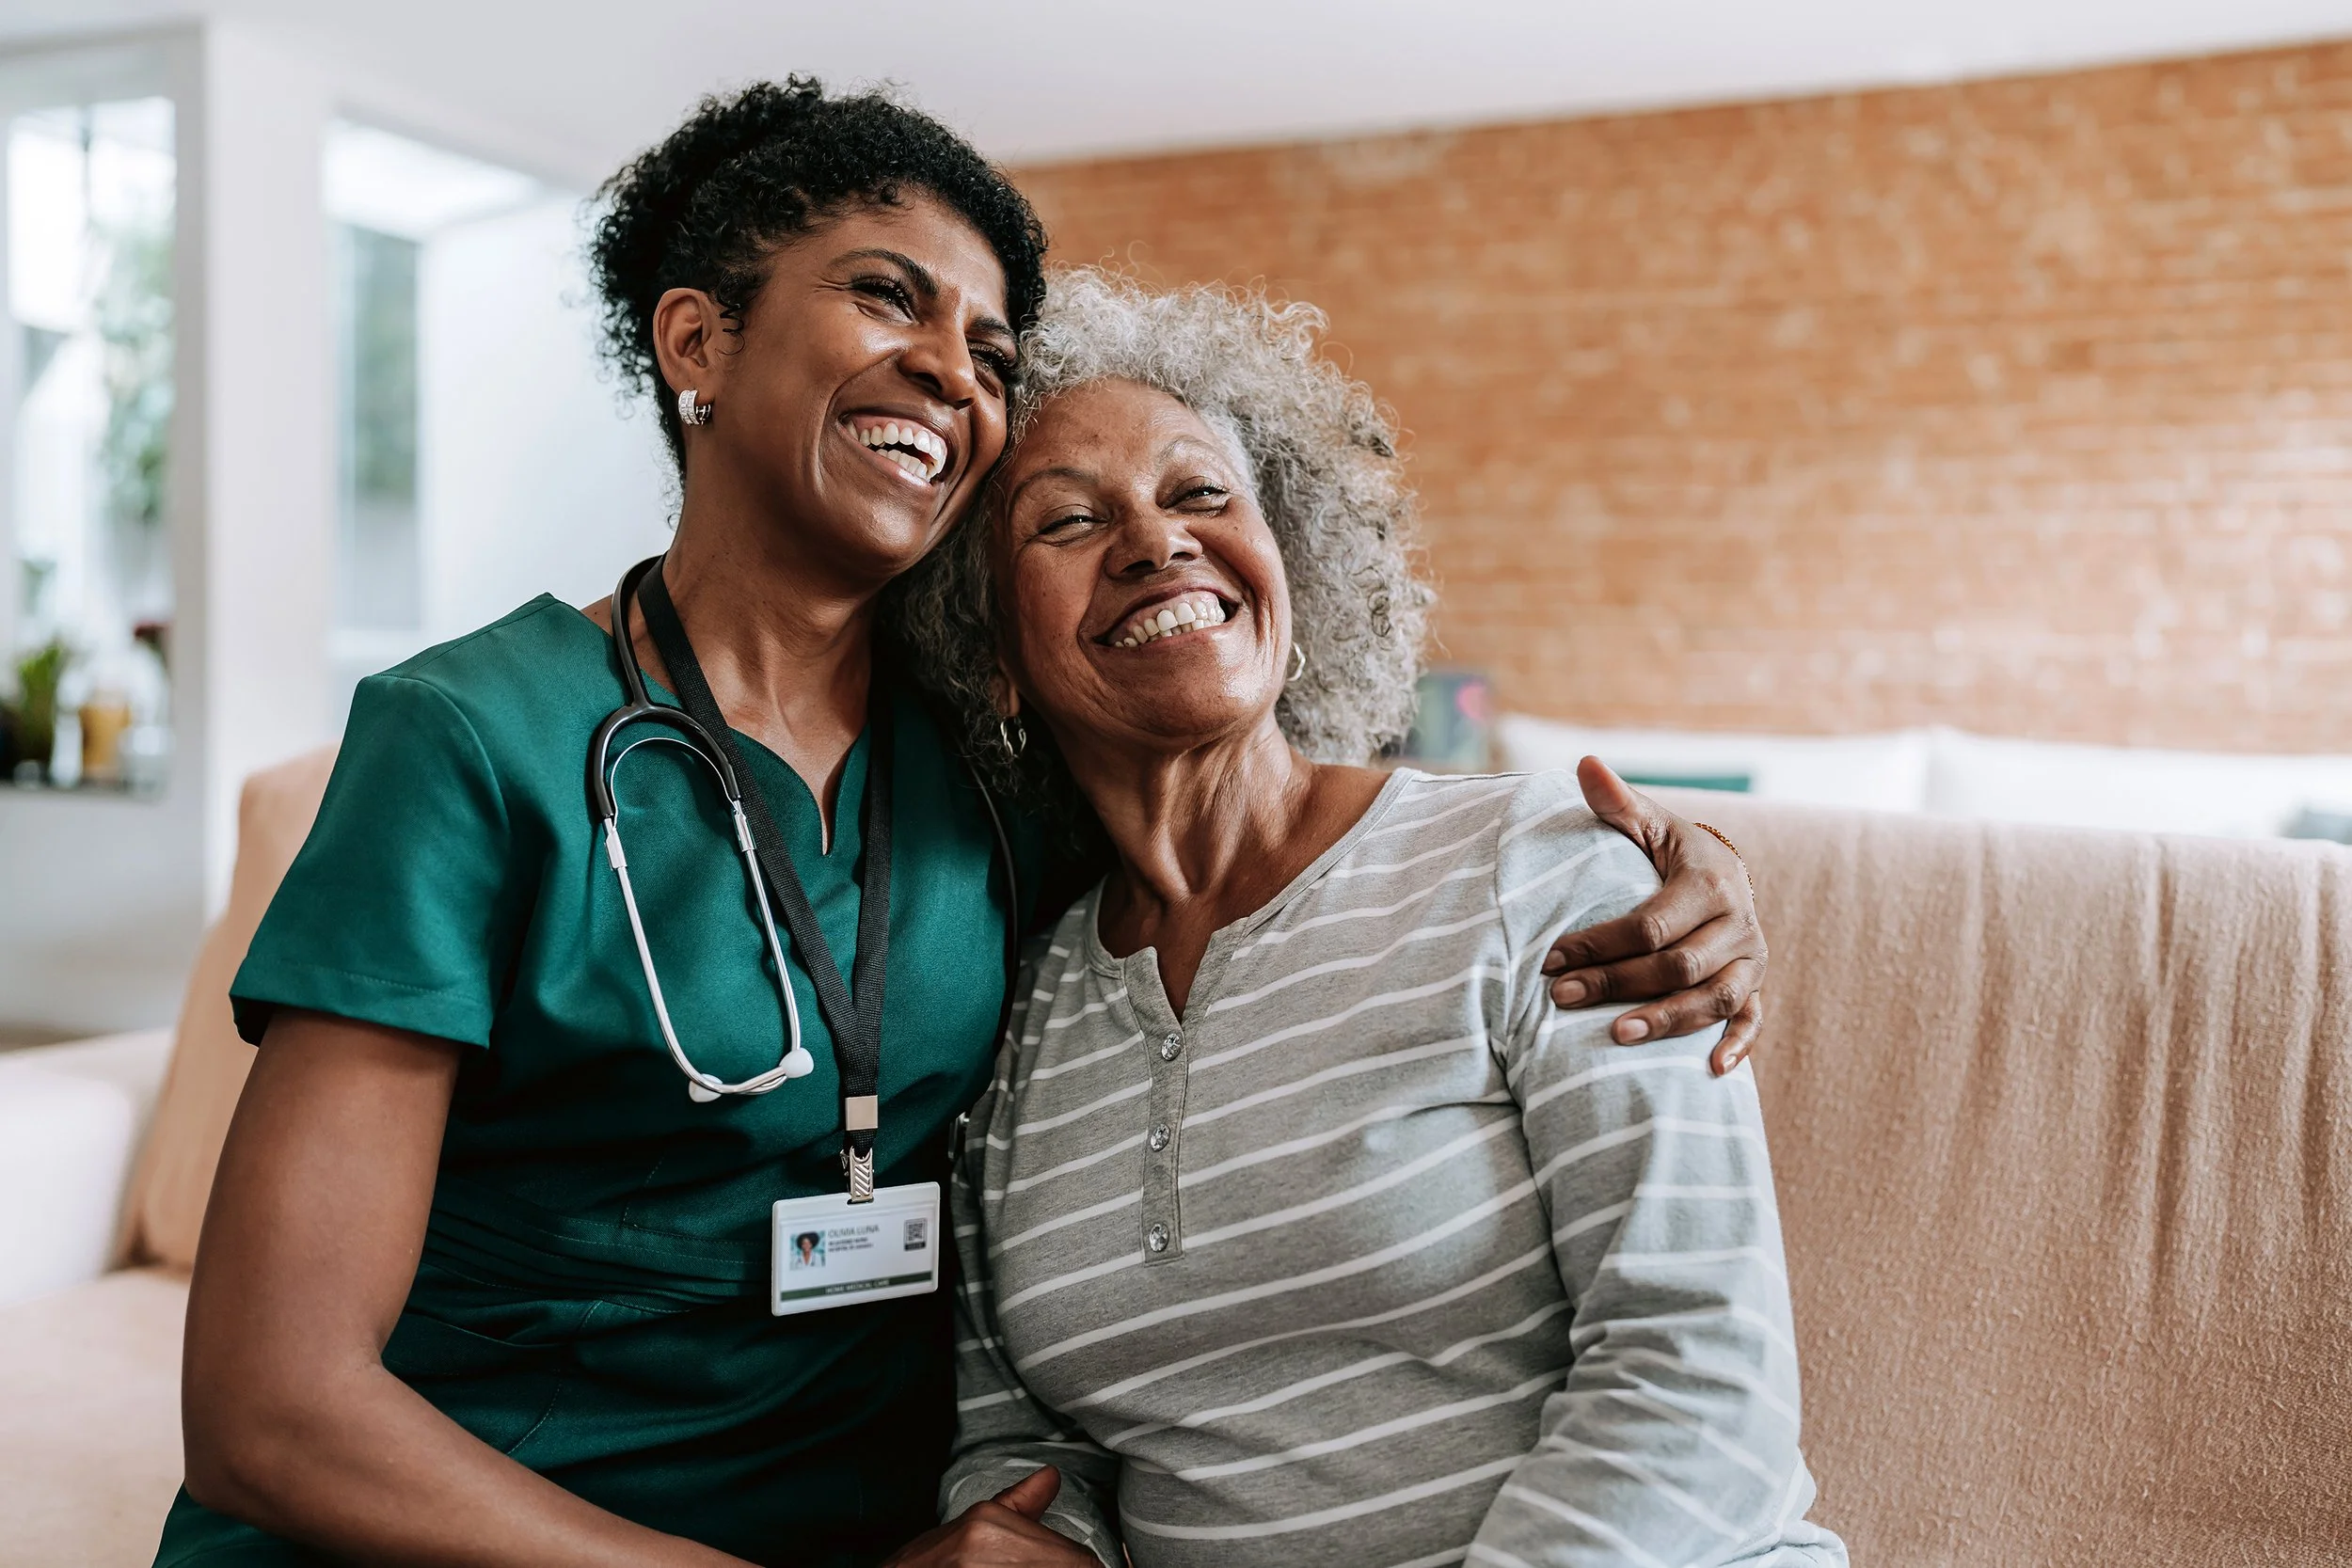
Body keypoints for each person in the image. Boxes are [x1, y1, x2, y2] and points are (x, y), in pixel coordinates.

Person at [159, 84, 1770, 1568]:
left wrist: (1706, 875)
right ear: (696, 344)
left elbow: (1259, 854)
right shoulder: (471, 738)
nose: (953, 366)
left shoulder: (997, 782)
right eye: (886, 293)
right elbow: (267, 1403)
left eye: (993, 350)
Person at [910, 271, 1845, 1566]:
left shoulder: (1544, 874)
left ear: (1283, 560)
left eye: (1200, 493)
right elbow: (1027, 1433)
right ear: (993, 653)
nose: (1154, 539)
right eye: (1066, 521)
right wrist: (1028, 1530)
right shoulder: (1012, 1017)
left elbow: (1699, 1380)